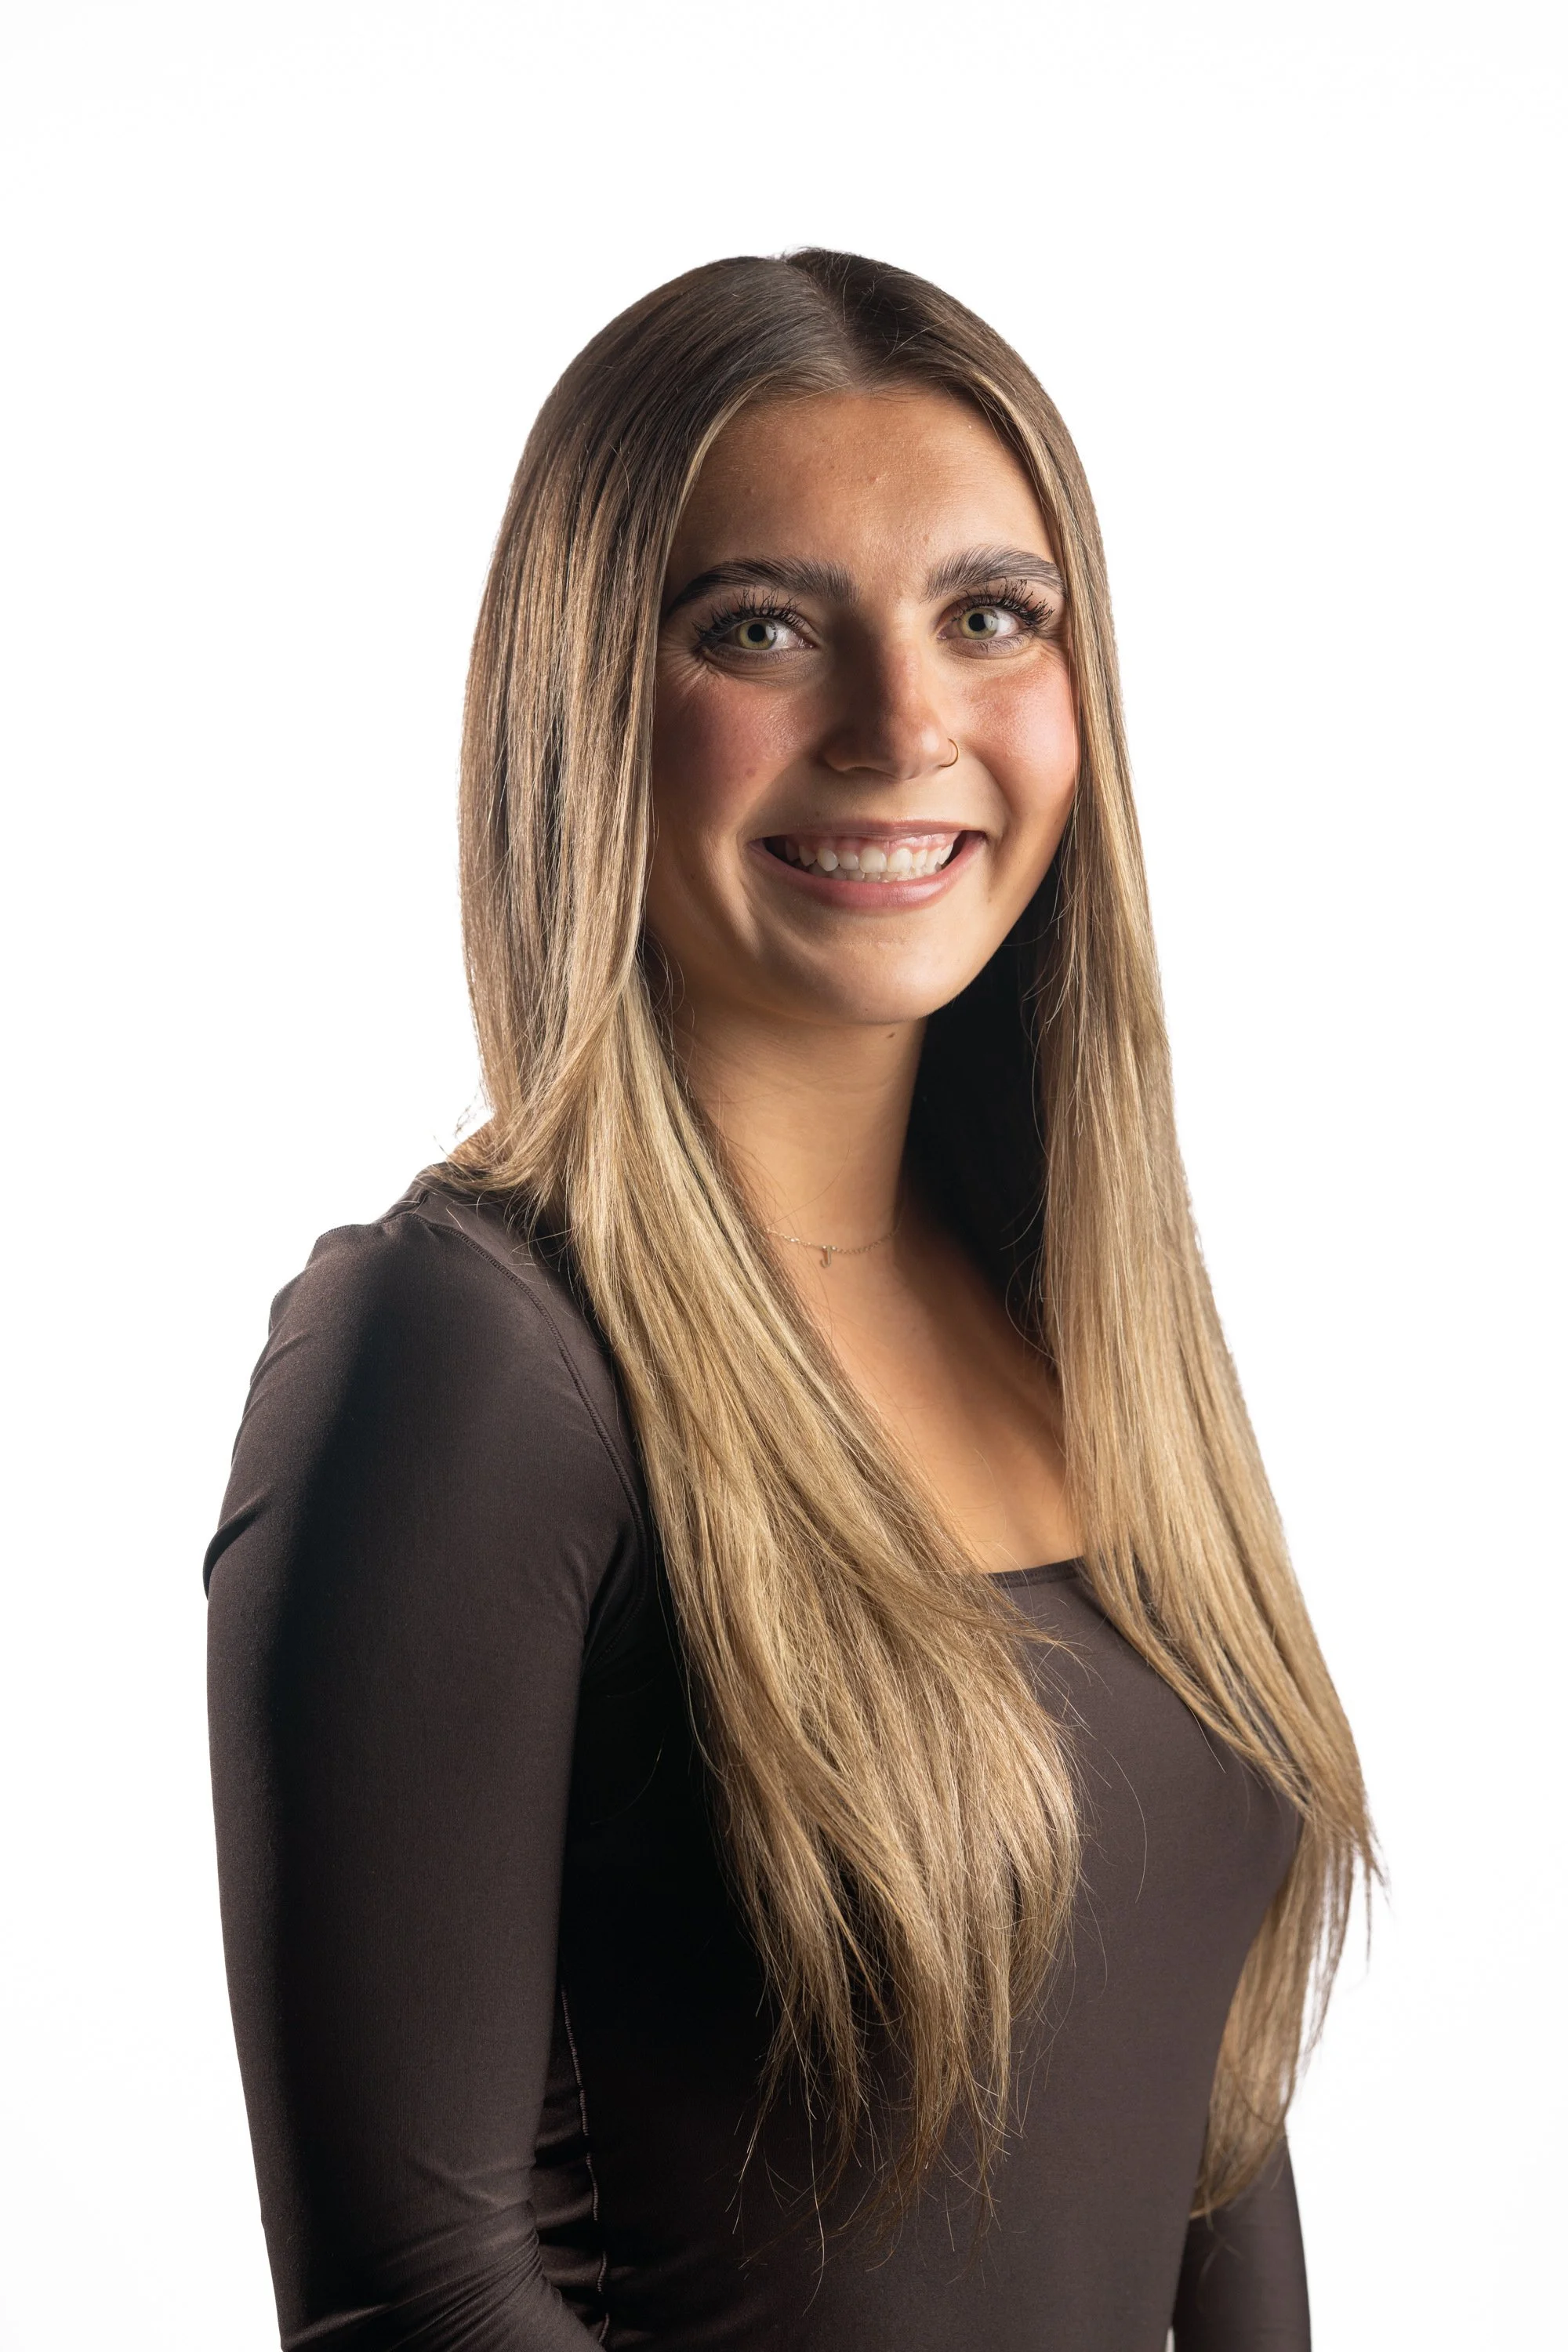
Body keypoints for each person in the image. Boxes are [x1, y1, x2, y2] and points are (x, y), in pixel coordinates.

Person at [205, 249, 1373, 2350]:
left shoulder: (1090, 1332)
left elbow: (1211, 2138)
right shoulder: (474, 1351)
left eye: (990, 617)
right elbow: (421, 2294)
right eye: (762, 626)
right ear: (588, 698)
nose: (903, 726)